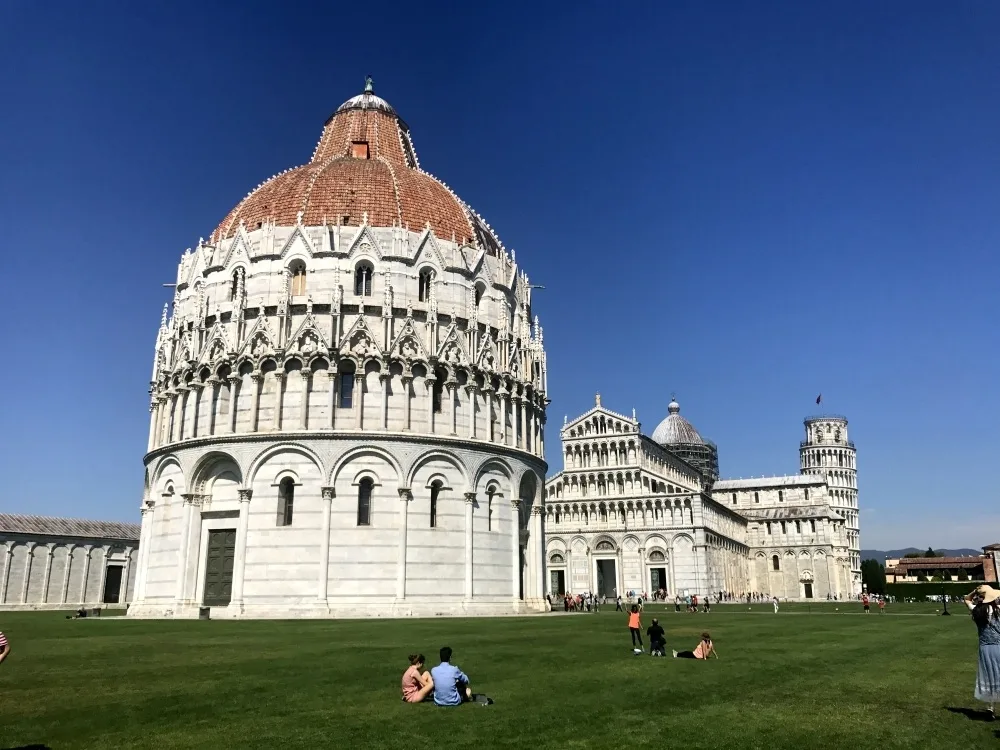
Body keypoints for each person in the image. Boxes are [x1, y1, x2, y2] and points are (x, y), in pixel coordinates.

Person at [965, 585, 1000, 719]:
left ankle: (990, 707)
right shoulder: (997, 610)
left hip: (985, 648)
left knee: (990, 676)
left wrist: (975, 591)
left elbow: (967, 599)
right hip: (998, 645)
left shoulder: (977, 610)